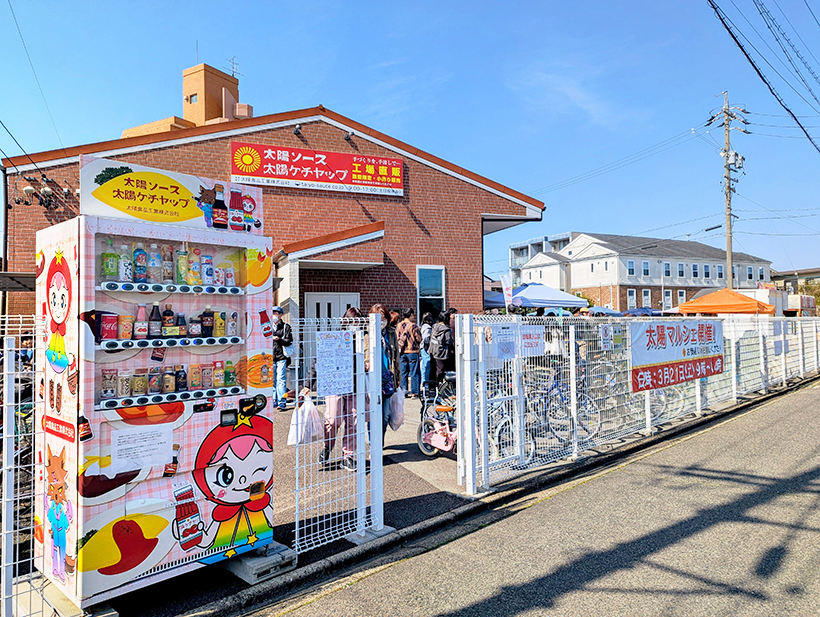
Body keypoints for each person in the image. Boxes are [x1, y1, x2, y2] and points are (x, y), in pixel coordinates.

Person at [321, 307, 363, 472]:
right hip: (336, 386)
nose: (355, 326)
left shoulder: (364, 339)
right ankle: (327, 446)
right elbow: (320, 359)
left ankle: (348, 456)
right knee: (332, 420)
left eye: (358, 323)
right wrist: (309, 384)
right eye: (352, 322)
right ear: (345, 322)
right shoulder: (336, 338)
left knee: (353, 422)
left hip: (355, 386)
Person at [369, 304, 398, 442]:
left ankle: (379, 441)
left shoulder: (390, 333)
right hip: (372, 378)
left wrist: (398, 377)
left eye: (384, 319)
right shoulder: (367, 334)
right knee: (373, 414)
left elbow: (396, 356)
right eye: (379, 319)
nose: (382, 322)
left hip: (387, 377)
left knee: (385, 415)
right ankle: (374, 444)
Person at [270, 306, 293, 411]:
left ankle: (282, 401)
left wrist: (279, 339)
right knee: (272, 380)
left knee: (281, 380)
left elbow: (289, 341)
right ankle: (274, 400)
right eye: (272, 313)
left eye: (276, 313)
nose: (274, 315)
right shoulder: (268, 326)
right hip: (270, 357)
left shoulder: (285, 327)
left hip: (281, 357)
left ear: (281, 315)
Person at [397, 308, 422, 398]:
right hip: (412, 351)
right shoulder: (414, 326)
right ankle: (414, 392)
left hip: (402, 351)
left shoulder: (399, 325)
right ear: (411, 315)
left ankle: (404, 391)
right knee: (414, 372)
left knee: (403, 372)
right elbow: (419, 339)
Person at [427, 311, 453, 384]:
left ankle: (431, 387)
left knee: (432, 370)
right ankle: (440, 387)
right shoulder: (446, 329)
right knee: (440, 370)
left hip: (432, 350)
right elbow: (449, 341)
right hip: (442, 352)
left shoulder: (434, 326)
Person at [419, 312, 434, 395]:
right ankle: (425, 384)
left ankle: (424, 383)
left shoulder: (423, 326)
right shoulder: (428, 327)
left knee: (424, 365)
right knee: (426, 365)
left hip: (422, 347)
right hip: (425, 348)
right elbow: (425, 338)